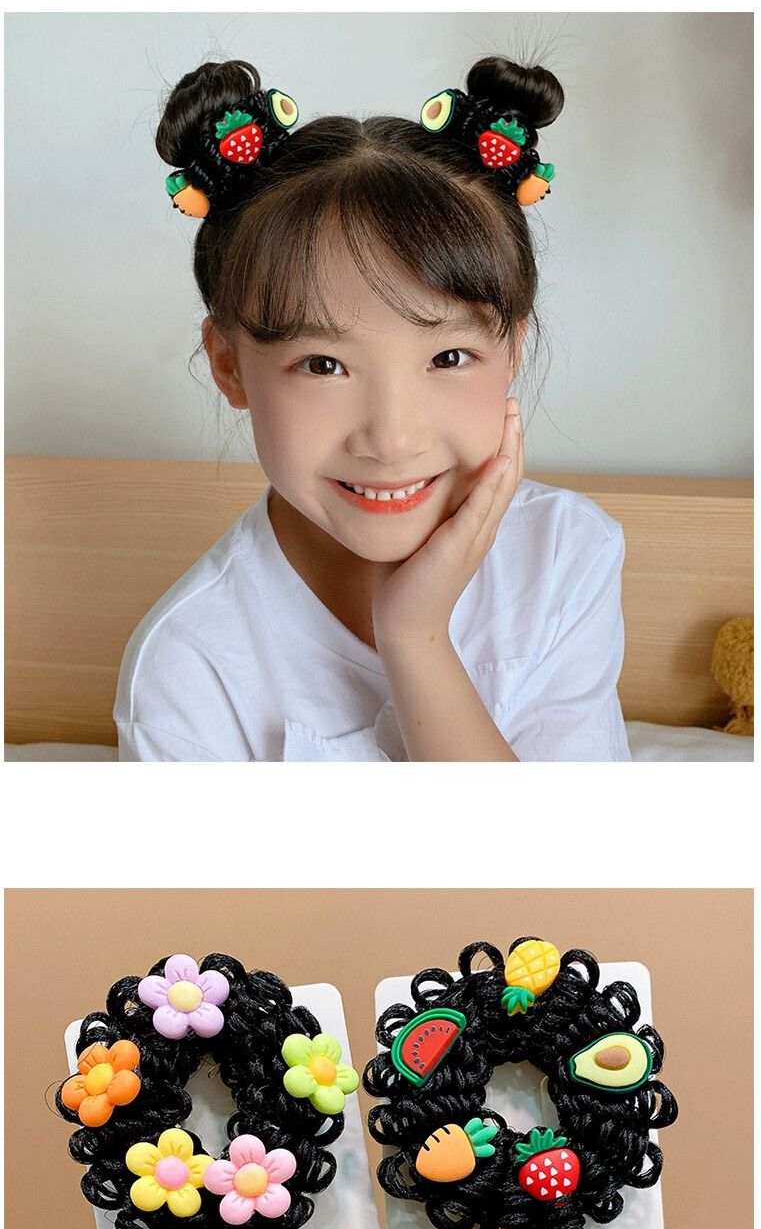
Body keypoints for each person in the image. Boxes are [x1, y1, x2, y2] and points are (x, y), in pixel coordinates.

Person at [115, 48, 628, 767]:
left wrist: (416, 640)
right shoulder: (189, 668)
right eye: (323, 365)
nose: (392, 439)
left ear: (512, 350)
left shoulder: (563, 555)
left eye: (448, 357)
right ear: (229, 365)